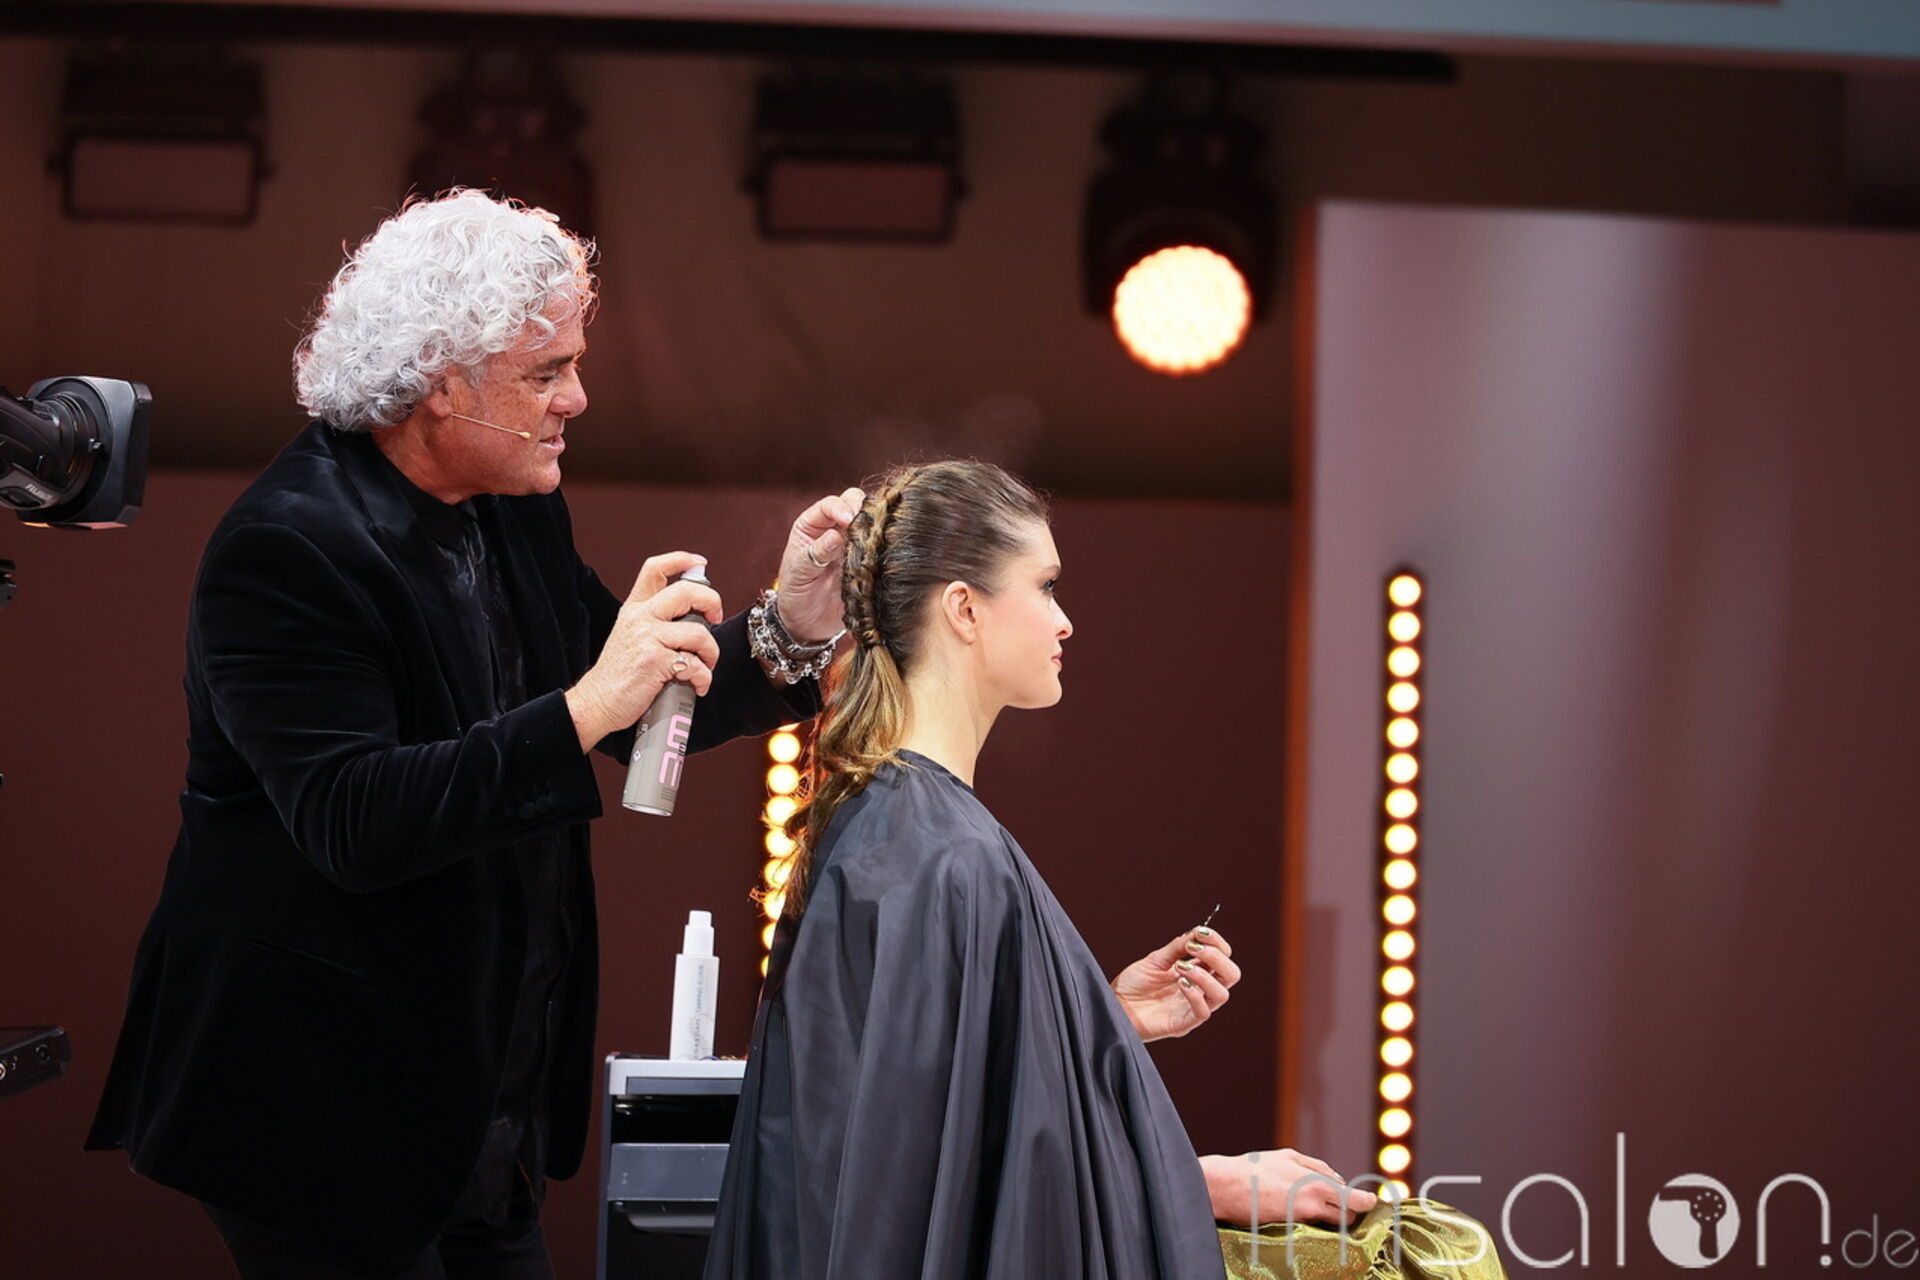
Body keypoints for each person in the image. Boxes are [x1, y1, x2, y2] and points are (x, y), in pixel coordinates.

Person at [85, 189, 862, 1278]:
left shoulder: (515, 502)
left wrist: (792, 628)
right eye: (547, 372)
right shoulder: (286, 546)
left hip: (474, 1105)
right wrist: (589, 704)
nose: (578, 398)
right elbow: (357, 820)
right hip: (319, 1111)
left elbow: (633, 701)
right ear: (441, 382)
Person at [705, 460, 1395, 1280]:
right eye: (1046, 587)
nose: (1065, 622)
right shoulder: (943, 856)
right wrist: (1205, 1183)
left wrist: (1101, 1018)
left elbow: (951, 1111)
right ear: (964, 609)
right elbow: (939, 1188)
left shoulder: (902, 829)